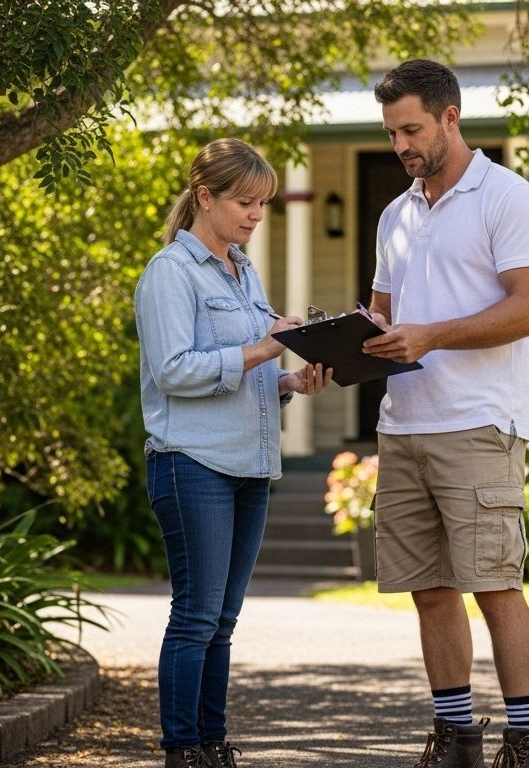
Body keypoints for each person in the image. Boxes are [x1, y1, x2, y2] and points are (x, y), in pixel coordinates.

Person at [363, 60, 529, 768]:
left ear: (449, 117)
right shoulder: (396, 214)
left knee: (495, 587)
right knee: (429, 591)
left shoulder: (507, 198)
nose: (400, 145)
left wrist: (433, 334)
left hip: (478, 424)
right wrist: (337, 349)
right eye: (390, 133)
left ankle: (527, 741)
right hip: (404, 423)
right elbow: (382, 317)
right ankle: (456, 737)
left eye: (410, 129)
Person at [134, 137, 330, 768]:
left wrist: (292, 380)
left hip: (249, 464)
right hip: (191, 463)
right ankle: (181, 750)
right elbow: (173, 371)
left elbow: (246, 372)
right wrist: (265, 350)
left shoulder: (244, 270)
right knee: (194, 616)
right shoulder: (170, 272)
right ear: (205, 196)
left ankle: (213, 745)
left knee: (222, 618)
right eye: (244, 202)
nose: (254, 215)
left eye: (263, 204)